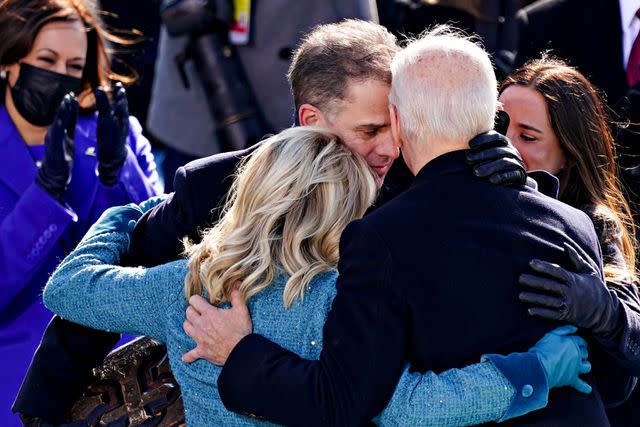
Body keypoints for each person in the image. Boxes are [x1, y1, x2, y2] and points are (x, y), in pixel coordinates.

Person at [13, 19, 526, 424]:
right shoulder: (216, 187)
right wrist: (45, 410)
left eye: (396, 124)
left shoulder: (425, 181)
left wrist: (512, 185)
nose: (392, 146)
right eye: (370, 129)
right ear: (311, 120)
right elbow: (97, 295)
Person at [180, 25, 626, 426]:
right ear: (493, 117)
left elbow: (342, 401)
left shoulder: (380, 239)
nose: (387, 148)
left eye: (384, 127)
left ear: (398, 119)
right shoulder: (570, 222)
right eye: (366, 130)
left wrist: (239, 354)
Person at [42, 126, 590, 426]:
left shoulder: (186, 286)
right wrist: (534, 371)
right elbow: (410, 407)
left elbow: (68, 288)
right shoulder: (347, 298)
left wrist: (127, 216)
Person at [0, 0, 162, 424]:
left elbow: (163, 250)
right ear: (9, 62)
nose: (59, 76)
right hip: (19, 373)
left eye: (74, 67)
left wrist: (118, 172)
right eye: (46, 60)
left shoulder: (115, 130)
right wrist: (45, 195)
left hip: (121, 373)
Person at [496, 57, 640, 421]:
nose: (506, 144)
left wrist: (602, 311)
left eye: (527, 136)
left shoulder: (595, 223)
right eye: (498, 127)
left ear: (569, 156)